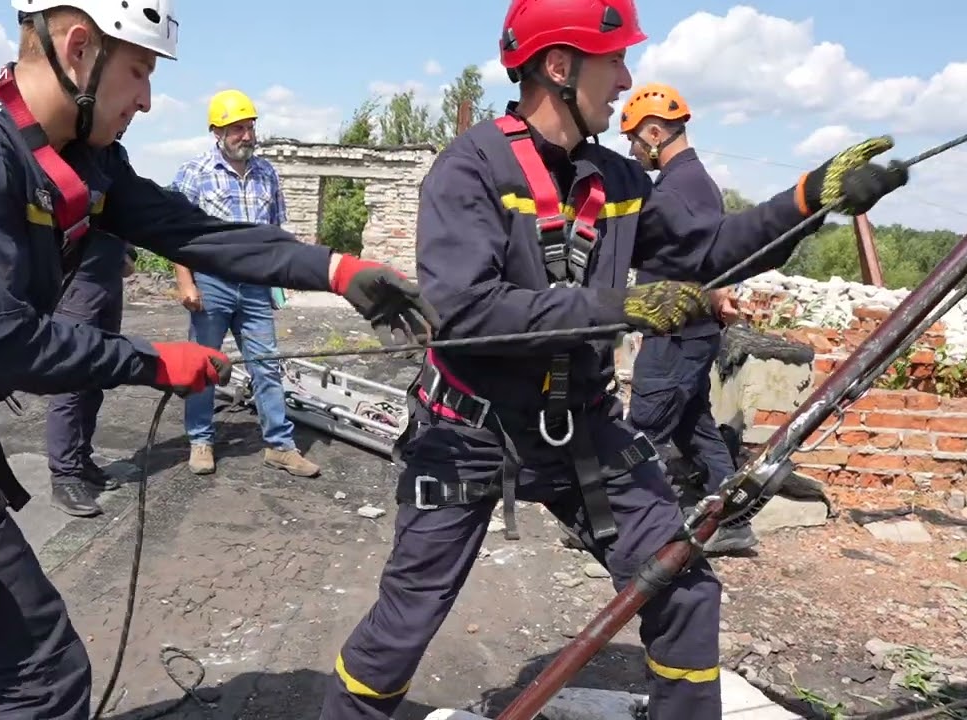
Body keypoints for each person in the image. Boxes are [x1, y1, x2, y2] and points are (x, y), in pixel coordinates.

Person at [0, 1, 438, 717]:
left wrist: (337, 269)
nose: (147, 99)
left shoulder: (75, 157)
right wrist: (152, 362)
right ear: (80, 49)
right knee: (47, 677)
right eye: (140, 72)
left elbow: (194, 232)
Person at [318, 0, 906, 718]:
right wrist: (617, 307)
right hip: (469, 434)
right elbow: (466, 315)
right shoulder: (468, 168)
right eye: (616, 59)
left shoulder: (614, 180)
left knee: (683, 586)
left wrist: (810, 199)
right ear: (559, 67)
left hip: (584, 428)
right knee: (403, 627)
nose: (627, 78)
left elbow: (706, 253)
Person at [619, 82, 757, 554]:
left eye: (635, 139)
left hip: (677, 335)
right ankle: (735, 520)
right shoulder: (690, 184)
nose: (633, 150)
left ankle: (630, 528)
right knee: (693, 425)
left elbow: (707, 260)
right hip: (689, 333)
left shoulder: (682, 188)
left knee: (642, 427)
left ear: (655, 133)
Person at [170, 89, 319, 478]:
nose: (247, 136)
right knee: (205, 364)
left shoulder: (267, 173)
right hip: (212, 283)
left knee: (266, 365)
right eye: (238, 129)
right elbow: (173, 235)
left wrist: (278, 280)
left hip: (254, 285)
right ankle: (201, 440)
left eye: (250, 127)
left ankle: (280, 447)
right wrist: (185, 281)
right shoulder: (194, 173)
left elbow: (275, 233)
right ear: (217, 131)